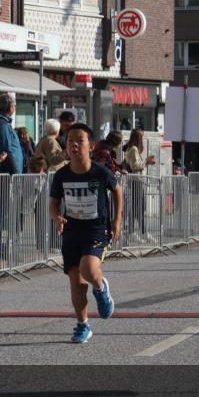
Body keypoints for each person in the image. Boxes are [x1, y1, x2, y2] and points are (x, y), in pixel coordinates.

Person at [49, 123, 122, 344]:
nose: (74, 144)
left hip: (96, 229)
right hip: (72, 231)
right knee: (76, 281)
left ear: (90, 146)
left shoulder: (100, 172)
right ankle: (83, 325)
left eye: (79, 140)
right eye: (70, 140)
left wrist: (116, 220)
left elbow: (117, 190)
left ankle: (101, 288)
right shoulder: (61, 175)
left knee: (88, 269)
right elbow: (54, 203)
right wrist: (56, 217)